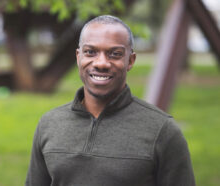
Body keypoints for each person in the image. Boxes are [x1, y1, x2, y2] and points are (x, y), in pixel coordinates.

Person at [25, 15, 195, 186]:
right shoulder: (49, 124)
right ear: (78, 57)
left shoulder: (162, 130)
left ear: (130, 61)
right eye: (90, 52)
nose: (101, 63)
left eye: (115, 54)